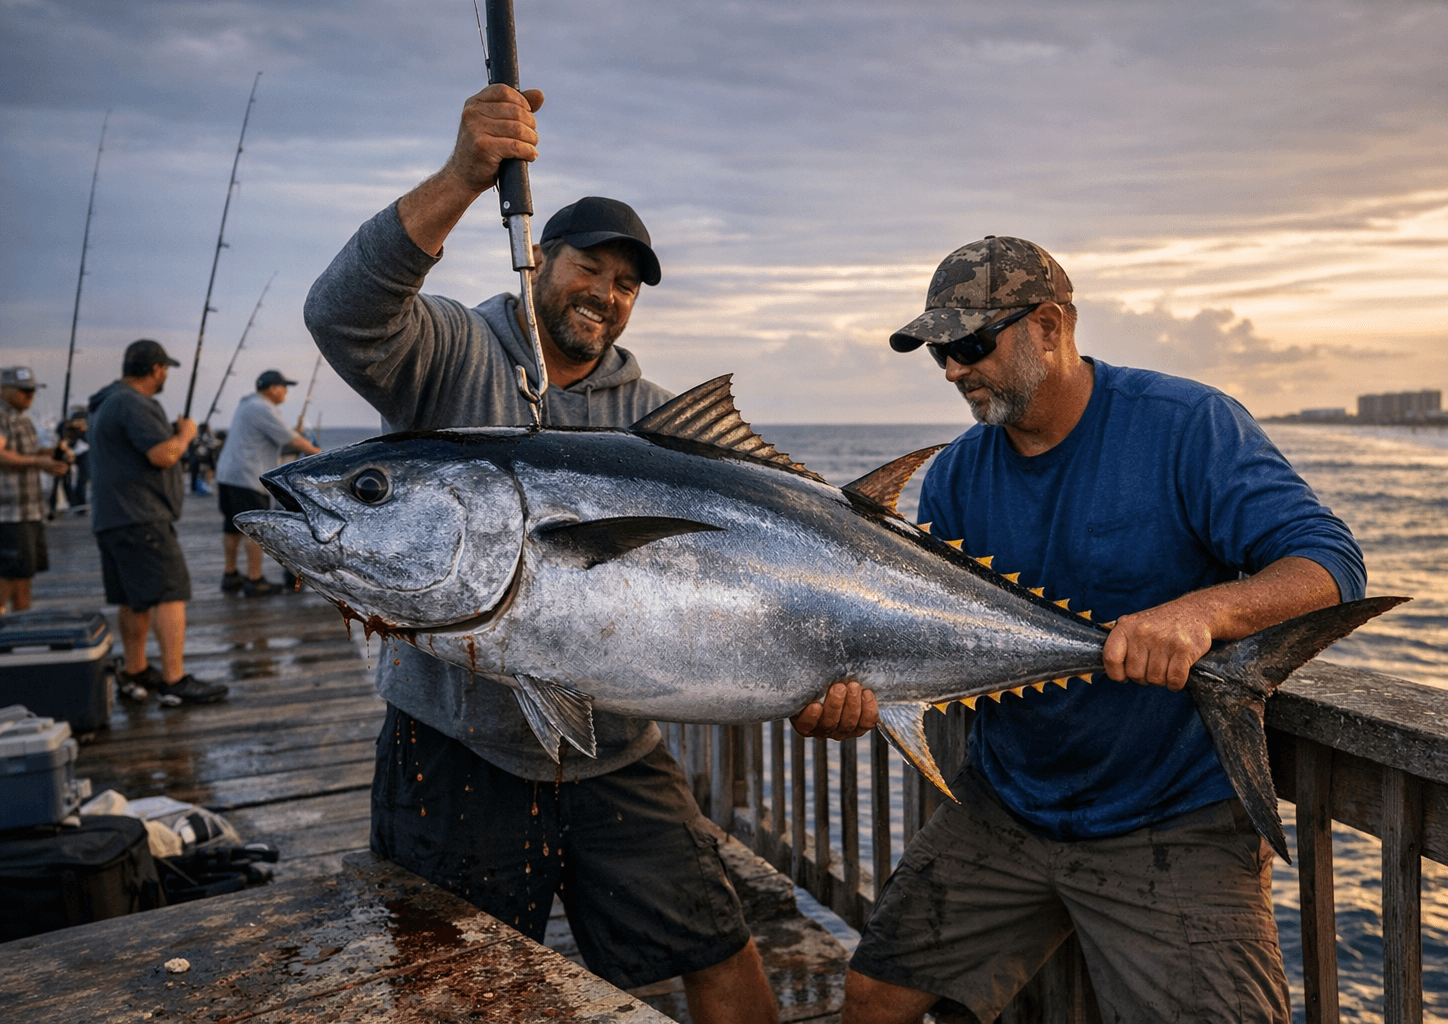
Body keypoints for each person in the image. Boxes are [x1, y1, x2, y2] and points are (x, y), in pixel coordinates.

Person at [304, 83, 873, 1024]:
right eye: (589, 267)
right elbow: (345, 312)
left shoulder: (653, 422)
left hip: (614, 748)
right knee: (448, 982)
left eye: (627, 283)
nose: (606, 294)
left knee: (718, 944)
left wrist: (825, 665)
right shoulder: (452, 350)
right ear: (539, 257)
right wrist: (462, 176)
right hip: (456, 741)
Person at [833, 237, 1366, 1024]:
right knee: (871, 995)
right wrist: (855, 690)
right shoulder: (954, 477)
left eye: (970, 345)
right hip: (1006, 807)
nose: (952, 371)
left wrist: (1198, 614)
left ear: (1048, 327)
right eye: (938, 352)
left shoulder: (1187, 426)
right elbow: (936, 642)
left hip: (1169, 819)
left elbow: (1329, 563)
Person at [87, 340, 229, 706]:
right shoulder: (134, 403)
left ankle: (136, 670)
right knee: (170, 593)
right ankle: (174, 680)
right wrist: (185, 434)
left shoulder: (106, 402)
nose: (166, 375)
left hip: (113, 518)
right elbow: (163, 455)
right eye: (165, 369)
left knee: (134, 600)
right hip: (141, 517)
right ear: (155, 370)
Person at [214, 369, 321, 596]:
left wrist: (293, 436)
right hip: (247, 476)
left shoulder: (247, 404)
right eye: (284, 388)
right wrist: (318, 454)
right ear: (273, 389)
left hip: (227, 474)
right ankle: (255, 580)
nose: (285, 393)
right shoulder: (264, 408)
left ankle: (230, 575)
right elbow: (291, 439)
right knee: (255, 529)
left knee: (230, 526)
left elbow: (274, 437)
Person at [0, 367, 69, 613]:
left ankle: (20, 622)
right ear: (3, 389)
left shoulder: (25, 419)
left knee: (24, 571)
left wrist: (54, 456)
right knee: (7, 573)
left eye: (32, 390)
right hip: (8, 514)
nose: (29, 395)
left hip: (29, 511)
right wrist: (39, 463)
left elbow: (30, 454)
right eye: (23, 391)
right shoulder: (2, 415)